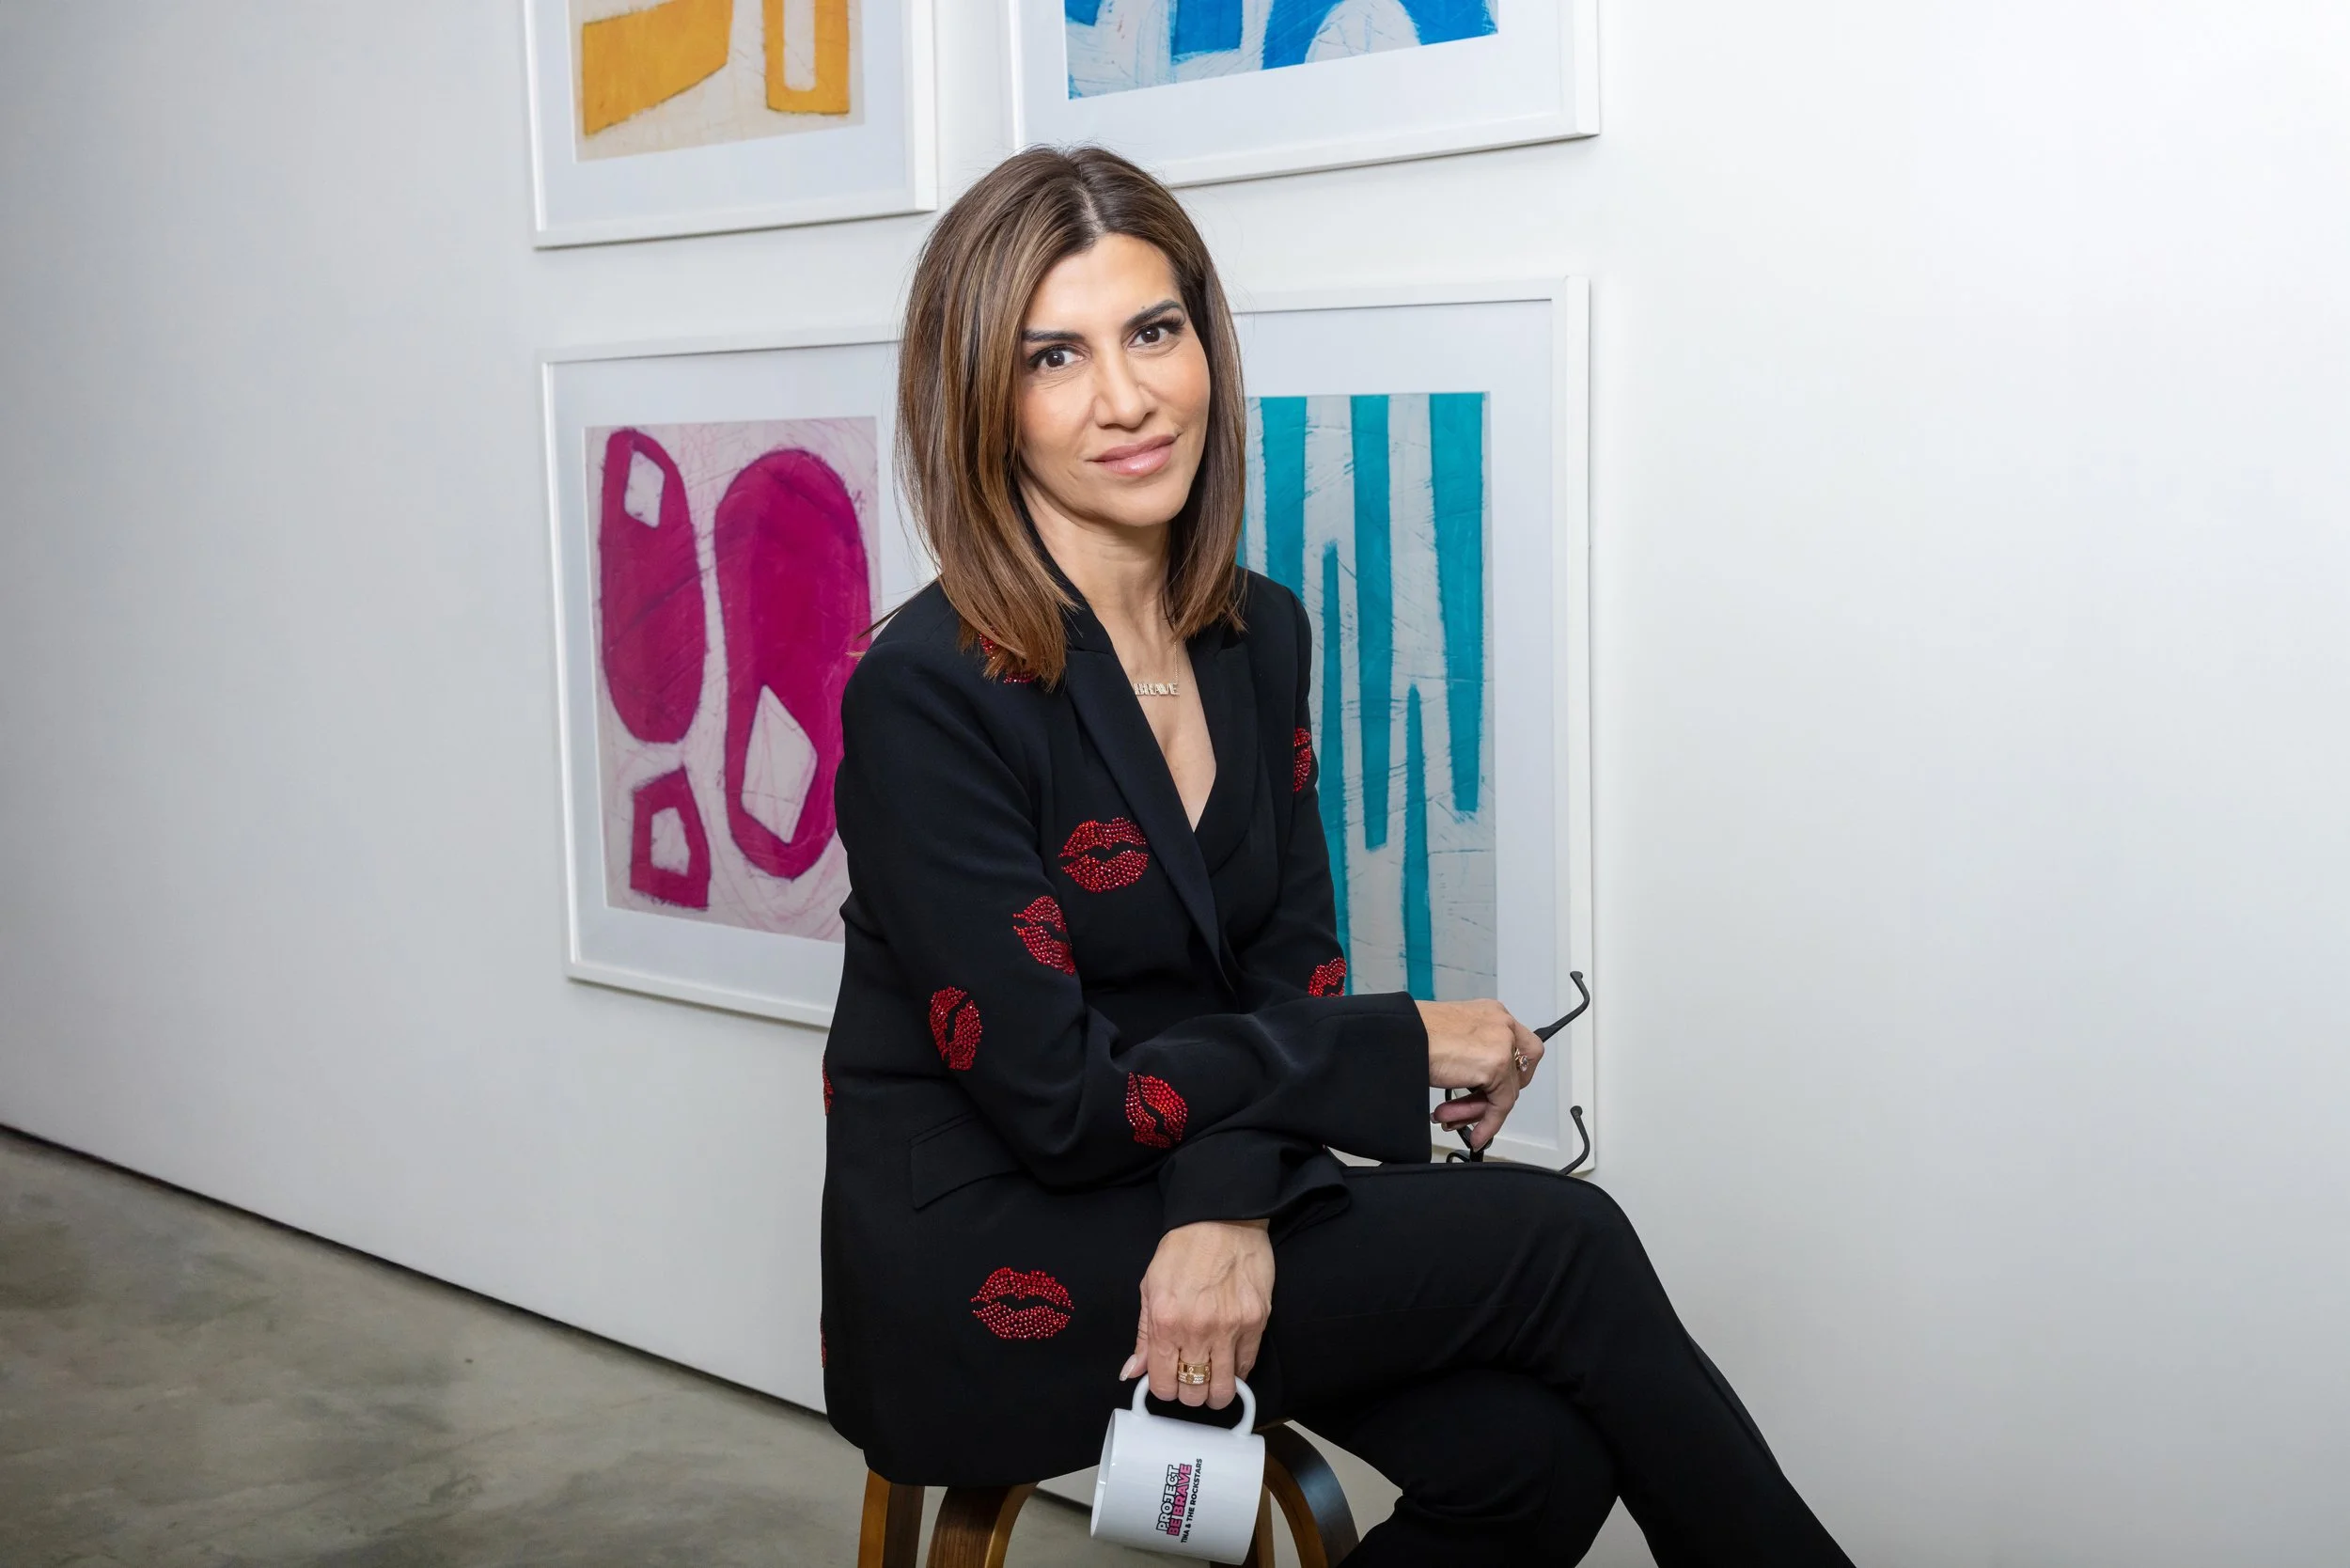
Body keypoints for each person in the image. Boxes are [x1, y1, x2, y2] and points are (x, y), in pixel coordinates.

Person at [819, 145, 1854, 1567]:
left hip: (1175, 1176)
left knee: (1530, 1459)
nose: (1126, 397)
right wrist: (1406, 1040)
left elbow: (1282, 969)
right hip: (993, 1243)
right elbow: (1055, 1102)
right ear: (984, 402)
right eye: (1055, 356)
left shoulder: (1256, 631)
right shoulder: (925, 691)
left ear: (1206, 346)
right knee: (1568, 1244)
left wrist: (1224, 1203)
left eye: (1155, 332)